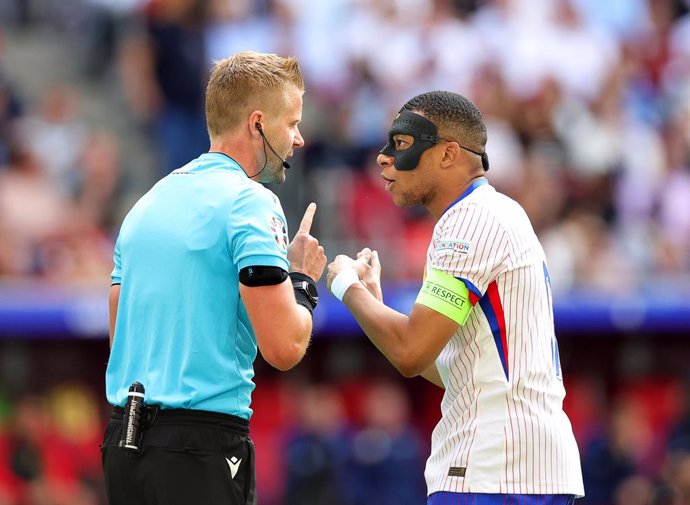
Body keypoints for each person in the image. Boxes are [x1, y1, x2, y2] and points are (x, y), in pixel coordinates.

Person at [327, 90, 584, 504]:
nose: (383, 157)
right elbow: (454, 370)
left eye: (403, 144)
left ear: (448, 154)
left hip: (492, 470)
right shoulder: (494, 212)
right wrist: (374, 302)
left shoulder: (468, 222)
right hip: (525, 467)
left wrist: (345, 286)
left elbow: (410, 352)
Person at [102, 51, 327, 505]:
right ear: (257, 122)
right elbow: (283, 348)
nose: (299, 139)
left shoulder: (145, 205)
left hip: (124, 447)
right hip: (201, 447)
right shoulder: (252, 202)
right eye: (292, 123)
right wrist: (303, 279)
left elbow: (120, 337)